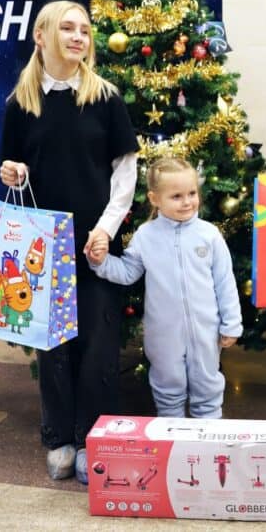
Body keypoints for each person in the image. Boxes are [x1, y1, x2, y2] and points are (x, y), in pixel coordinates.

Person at [0, 0, 138, 484]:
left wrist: (105, 230)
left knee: (98, 344)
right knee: (53, 346)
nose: (79, 37)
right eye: (67, 28)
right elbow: (13, 168)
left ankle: (92, 436)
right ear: (41, 36)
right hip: (44, 249)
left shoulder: (105, 98)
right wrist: (13, 173)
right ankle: (59, 437)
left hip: (94, 243)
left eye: (85, 29)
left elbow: (125, 171)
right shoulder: (21, 104)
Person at [87, 157, 242, 420]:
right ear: (155, 199)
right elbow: (127, 272)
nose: (187, 202)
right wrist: (100, 262)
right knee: (167, 385)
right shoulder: (146, 235)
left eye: (192, 193)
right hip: (163, 333)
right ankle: (171, 433)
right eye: (177, 196)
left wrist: (231, 324)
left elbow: (225, 282)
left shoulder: (209, 235)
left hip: (206, 330)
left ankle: (208, 431)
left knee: (207, 384)